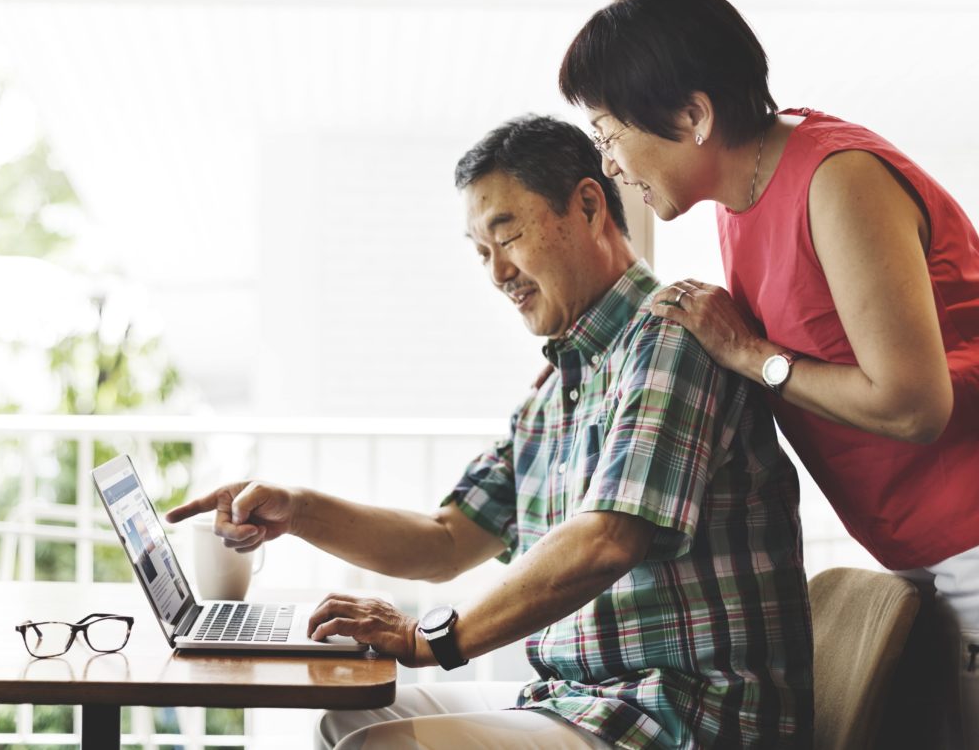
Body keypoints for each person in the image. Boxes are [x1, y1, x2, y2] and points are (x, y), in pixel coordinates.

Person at [166, 114, 813, 749]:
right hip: (582, 705)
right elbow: (444, 541)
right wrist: (298, 509)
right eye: (481, 253)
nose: (497, 273)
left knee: (378, 746)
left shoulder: (673, 332)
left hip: (681, 719)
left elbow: (609, 538)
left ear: (589, 206)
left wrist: (430, 637)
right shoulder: (559, 388)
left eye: (507, 237)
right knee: (347, 719)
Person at [559, 0, 979, 747]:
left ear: (693, 114)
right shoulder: (738, 202)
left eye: (610, 134)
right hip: (922, 553)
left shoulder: (836, 179)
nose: (611, 165)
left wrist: (756, 356)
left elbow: (918, 407)